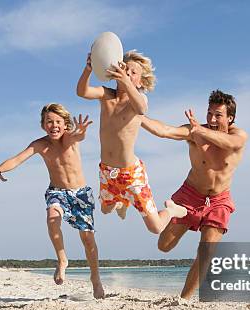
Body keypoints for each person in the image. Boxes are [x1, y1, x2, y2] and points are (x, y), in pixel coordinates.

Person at [0, 103, 105, 299]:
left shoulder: (71, 137)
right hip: (57, 192)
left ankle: (95, 279)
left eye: (57, 122)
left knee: (88, 239)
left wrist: (80, 132)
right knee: (52, 219)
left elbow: (79, 136)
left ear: (65, 124)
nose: (53, 125)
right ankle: (62, 260)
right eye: (49, 122)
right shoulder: (40, 144)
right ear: (43, 125)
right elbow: (17, 159)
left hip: (81, 194)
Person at [141, 90, 248, 298]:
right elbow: (164, 130)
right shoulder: (194, 132)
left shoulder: (239, 135)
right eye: (209, 113)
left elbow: (229, 143)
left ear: (230, 118)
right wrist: (136, 117)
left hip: (219, 200)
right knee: (164, 246)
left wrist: (200, 131)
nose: (212, 119)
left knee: (206, 252)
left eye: (218, 115)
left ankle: (184, 301)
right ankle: (174, 211)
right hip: (190, 195)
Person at [76, 50, 186, 233]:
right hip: (107, 171)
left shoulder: (138, 100)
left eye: (133, 73)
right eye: (125, 69)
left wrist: (127, 83)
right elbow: (82, 91)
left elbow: (142, 108)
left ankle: (171, 210)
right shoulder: (106, 95)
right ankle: (121, 201)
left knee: (156, 228)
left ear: (140, 82)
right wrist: (89, 69)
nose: (127, 73)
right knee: (105, 209)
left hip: (131, 175)